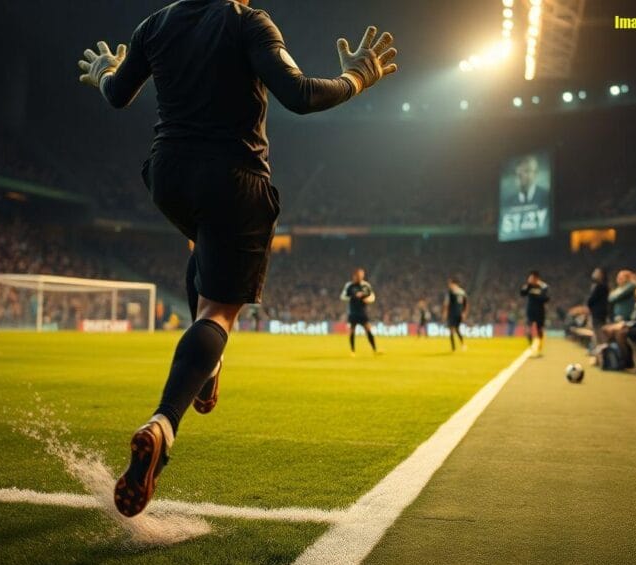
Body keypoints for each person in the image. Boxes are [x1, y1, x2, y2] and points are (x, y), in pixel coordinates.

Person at [77, 0, 398, 517]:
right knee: (218, 313)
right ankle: (163, 423)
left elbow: (117, 94)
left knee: (204, 252)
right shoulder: (247, 21)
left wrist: (103, 72)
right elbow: (299, 95)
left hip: (167, 175)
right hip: (231, 177)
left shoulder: (154, 24)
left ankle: (210, 368)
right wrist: (358, 77)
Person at [341, 268, 379, 356]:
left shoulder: (366, 285)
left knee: (368, 329)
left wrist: (368, 300)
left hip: (362, 312)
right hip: (353, 312)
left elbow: (372, 296)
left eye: (362, 274)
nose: (360, 276)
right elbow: (343, 296)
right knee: (352, 331)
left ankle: (374, 350)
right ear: (354, 275)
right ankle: (352, 351)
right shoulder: (349, 285)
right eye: (358, 275)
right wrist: (353, 296)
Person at [520, 271, 550, 357]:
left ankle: (539, 349)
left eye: (533, 278)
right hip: (530, 310)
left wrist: (539, 297)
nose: (531, 280)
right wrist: (529, 286)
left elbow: (546, 298)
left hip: (540, 311)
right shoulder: (528, 286)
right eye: (530, 278)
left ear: (537, 279)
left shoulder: (543, 286)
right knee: (529, 329)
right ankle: (530, 347)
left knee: (539, 330)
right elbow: (522, 293)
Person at [442, 277, 469, 352]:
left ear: (454, 284)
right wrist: (464, 313)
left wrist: (445, 313)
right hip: (455, 314)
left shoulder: (451, 293)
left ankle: (460, 345)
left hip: (455, 314)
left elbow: (446, 304)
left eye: (450, 283)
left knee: (455, 329)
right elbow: (466, 304)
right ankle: (455, 347)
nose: (449, 285)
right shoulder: (462, 292)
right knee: (453, 329)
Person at [586, 267, 610, 347]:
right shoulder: (601, 286)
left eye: (596, 272)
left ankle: (603, 354)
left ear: (601, 275)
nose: (594, 273)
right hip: (597, 313)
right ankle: (599, 355)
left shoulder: (600, 286)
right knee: (597, 335)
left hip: (598, 314)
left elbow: (591, 299)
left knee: (599, 335)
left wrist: (589, 303)